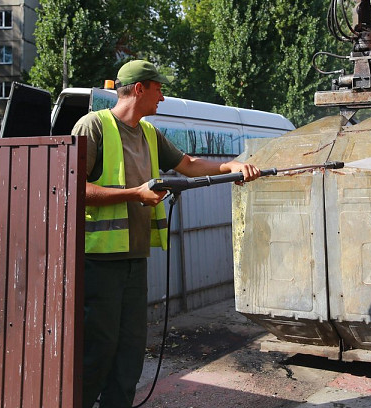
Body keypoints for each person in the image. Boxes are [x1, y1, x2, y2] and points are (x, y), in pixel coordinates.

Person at [72, 59, 261, 408]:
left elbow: (187, 165)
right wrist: (135, 194)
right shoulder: (92, 126)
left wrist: (231, 165)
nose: (162, 95)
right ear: (139, 89)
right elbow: (71, 188)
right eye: (158, 88)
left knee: (129, 351)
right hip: (97, 261)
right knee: (96, 352)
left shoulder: (148, 133)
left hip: (134, 259)